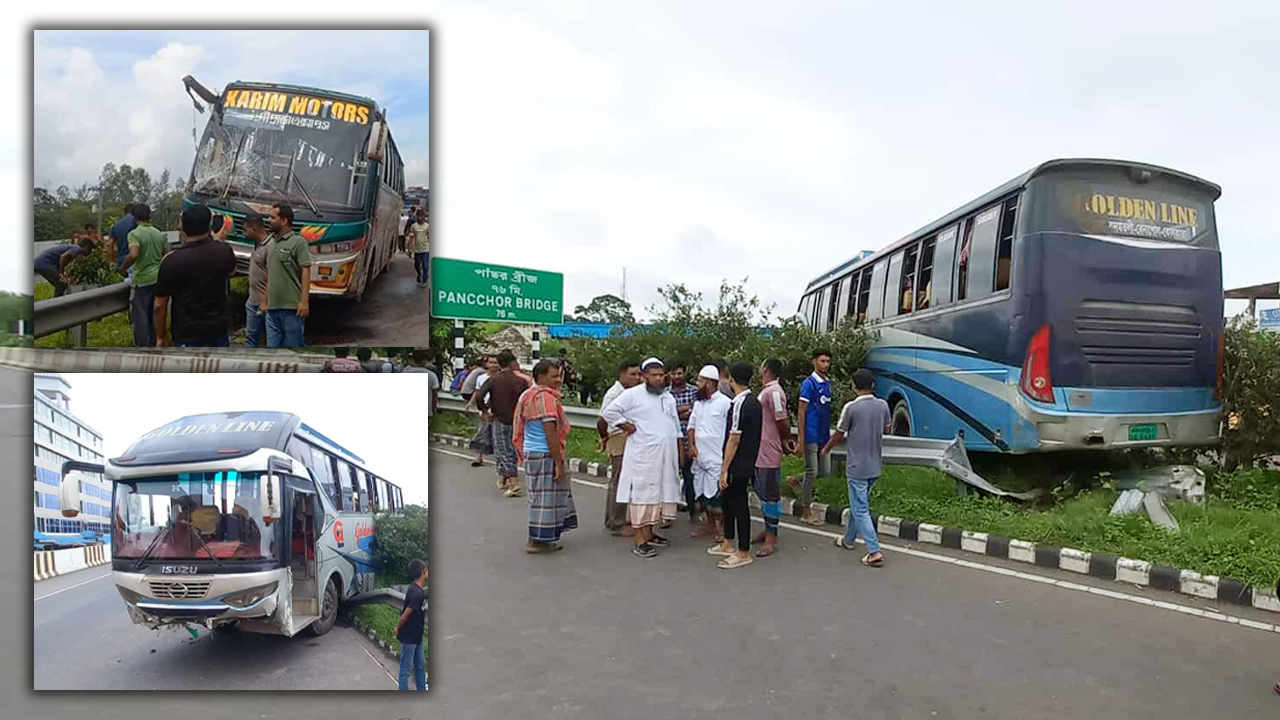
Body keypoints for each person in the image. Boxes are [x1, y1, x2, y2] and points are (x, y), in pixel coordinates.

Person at [600, 358, 684, 559]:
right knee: (642, 496)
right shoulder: (632, 395)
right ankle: (639, 541)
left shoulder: (667, 398)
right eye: (653, 375)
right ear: (645, 376)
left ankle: (650, 533)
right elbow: (609, 412)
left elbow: (674, 424)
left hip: (665, 456)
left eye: (660, 375)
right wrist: (624, 425)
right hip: (643, 455)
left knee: (658, 495)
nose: (657, 379)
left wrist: (679, 448)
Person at [822, 368, 892, 567]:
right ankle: (848, 540)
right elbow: (887, 430)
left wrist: (826, 449)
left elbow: (839, 434)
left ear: (854, 386)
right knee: (858, 505)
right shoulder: (883, 405)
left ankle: (874, 550)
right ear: (873, 385)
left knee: (860, 508)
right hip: (875, 465)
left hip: (856, 466)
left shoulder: (850, 408)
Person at [513, 359, 577, 553]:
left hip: (533, 452)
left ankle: (543, 538)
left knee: (540, 496)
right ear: (541, 377)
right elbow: (550, 430)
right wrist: (558, 462)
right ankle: (535, 541)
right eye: (554, 376)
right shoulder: (546, 398)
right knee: (544, 499)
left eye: (559, 376)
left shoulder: (528, 394)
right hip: (545, 453)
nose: (558, 380)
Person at [154, 204, 236, 347]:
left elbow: (159, 305)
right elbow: (232, 271)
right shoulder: (224, 251)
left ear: (182, 226)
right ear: (209, 226)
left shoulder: (171, 261)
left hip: (187, 335)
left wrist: (161, 336)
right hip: (218, 332)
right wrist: (217, 240)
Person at [707, 362, 763, 570]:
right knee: (728, 501)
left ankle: (743, 551)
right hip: (746, 460)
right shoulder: (754, 401)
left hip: (738, 462)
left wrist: (724, 468)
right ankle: (728, 542)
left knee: (739, 506)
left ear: (730, 379)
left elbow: (734, 439)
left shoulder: (740, 403)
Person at [595, 360, 642, 536]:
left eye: (639, 374)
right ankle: (617, 522)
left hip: (625, 438)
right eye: (633, 374)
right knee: (619, 480)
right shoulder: (615, 393)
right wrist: (605, 437)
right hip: (618, 437)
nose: (637, 378)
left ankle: (613, 518)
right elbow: (602, 419)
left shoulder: (630, 392)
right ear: (621, 374)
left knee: (621, 479)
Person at [752, 357, 792, 557]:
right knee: (763, 493)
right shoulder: (767, 390)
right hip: (760, 451)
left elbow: (782, 419)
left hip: (769, 452)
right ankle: (768, 529)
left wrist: (785, 439)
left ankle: (771, 538)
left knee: (770, 496)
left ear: (766, 369)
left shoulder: (774, 392)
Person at [477, 350, 530, 497]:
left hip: (499, 418)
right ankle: (504, 478)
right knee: (512, 448)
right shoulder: (522, 381)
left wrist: (485, 411)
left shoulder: (493, 380)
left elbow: (479, 396)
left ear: (500, 364)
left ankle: (513, 482)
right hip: (518, 420)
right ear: (513, 363)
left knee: (502, 449)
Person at [687, 364, 732, 540]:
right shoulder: (698, 403)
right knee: (701, 497)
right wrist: (691, 446)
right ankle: (709, 527)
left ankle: (723, 530)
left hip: (716, 457)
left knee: (717, 497)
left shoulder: (725, 403)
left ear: (710, 383)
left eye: (700, 380)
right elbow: (691, 426)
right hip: (699, 457)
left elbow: (731, 431)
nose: (697, 384)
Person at [262, 203, 311, 347]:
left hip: (291, 309)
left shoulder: (298, 243)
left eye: (272, 217)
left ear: (284, 221)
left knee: (293, 348)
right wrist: (265, 301)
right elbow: (270, 274)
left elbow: (306, 271)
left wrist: (304, 301)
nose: (269, 220)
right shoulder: (271, 244)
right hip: (272, 310)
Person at [793, 349, 833, 526]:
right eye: (822, 361)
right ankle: (806, 510)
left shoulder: (827, 382)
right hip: (811, 433)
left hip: (824, 434)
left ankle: (795, 479)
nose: (825, 364)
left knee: (824, 471)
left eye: (827, 361)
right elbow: (801, 412)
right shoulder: (809, 384)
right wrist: (801, 438)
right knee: (812, 471)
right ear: (814, 362)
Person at [118, 203, 168, 347]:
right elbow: (166, 254)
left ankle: (142, 346)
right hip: (158, 279)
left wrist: (123, 268)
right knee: (155, 313)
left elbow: (133, 255)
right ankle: (154, 341)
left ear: (134, 217)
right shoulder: (159, 233)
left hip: (142, 280)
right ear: (149, 216)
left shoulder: (134, 234)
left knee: (141, 316)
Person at [666, 360, 699, 523]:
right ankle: (667, 515)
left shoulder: (694, 391)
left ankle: (694, 512)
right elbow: (664, 415)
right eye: (673, 373)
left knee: (690, 478)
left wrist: (675, 413)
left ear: (685, 373)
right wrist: (682, 411)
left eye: (679, 373)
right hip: (670, 442)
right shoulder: (665, 393)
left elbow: (696, 413)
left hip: (690, 441)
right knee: (668, 479)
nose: (676, 376)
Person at [394, 558, 428, 691]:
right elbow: (404, 617)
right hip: (409, 638)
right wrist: (398, 628)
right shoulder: (417, 595)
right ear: (423, 572)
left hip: (417, 636)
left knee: (420, 666)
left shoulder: (415, 589)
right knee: (405, 668)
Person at [463, 356, 498, 466]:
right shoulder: (481, 378)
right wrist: (471, 403)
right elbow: (477, 392)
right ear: (486, 364)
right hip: (484, 409)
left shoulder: (501, 378)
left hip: (498, 409)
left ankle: (500, 460)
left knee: (497, 435)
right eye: (491, 362)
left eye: (495, 362)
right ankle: (479, 457)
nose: (493, 365)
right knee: (481, 432)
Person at [242, 213, 270, 347]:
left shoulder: (270, 247)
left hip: (265, 305)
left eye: (245, 229)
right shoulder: (257, 245)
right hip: (252, 302)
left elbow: (273, 276)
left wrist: (265, 301)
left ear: (254, 229)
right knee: (251, 339)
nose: (244, 233)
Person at [108, 203, 137, 271]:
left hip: (122, 261)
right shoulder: (136, 222)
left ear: (124, 212)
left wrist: (111, 261)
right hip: (135, 260)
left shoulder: (116, 225)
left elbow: (110, 244)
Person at [407, 208, 430, 288]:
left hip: (426, 249)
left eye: (421, 216)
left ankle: (424, 281)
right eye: (419, 216)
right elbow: (411, 237)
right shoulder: (414, 226)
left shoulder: (427, 226)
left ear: (424, 217)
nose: (420, 218)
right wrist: (409, 247)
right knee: (417, 265)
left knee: (425, 265)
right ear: (417, 217)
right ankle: (419, 274)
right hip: (417, 249)